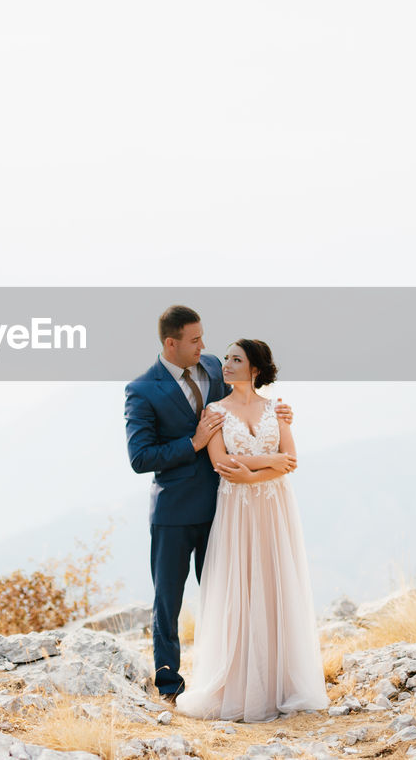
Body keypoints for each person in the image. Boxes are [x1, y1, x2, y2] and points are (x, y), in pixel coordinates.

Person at [124, 306, 293, 701]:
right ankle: (170, 685)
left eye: (203, 337)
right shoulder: (142, 389)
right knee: (169, 601)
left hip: (226, 508)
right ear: (171, 343)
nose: (204, 346)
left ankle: (241, 677)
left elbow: (245, 403)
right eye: (195, 340)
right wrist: (193, 444)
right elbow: (140, 458)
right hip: (174, 513)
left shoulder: (216, 366)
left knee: (229, 596)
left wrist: (280, 415)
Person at [175, 338, 327, 722]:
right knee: (241, 586)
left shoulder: (277, 409)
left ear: (255, 369)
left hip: (275, 508)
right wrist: (260, 466)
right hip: (237, 511)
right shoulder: (214, 411)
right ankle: (241, 684)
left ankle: (280, 683)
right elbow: (222, 462)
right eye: (226, 357)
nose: (226, 364)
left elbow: (290, 461)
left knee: (276, 583)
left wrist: (256, 471)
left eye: (236, 359)